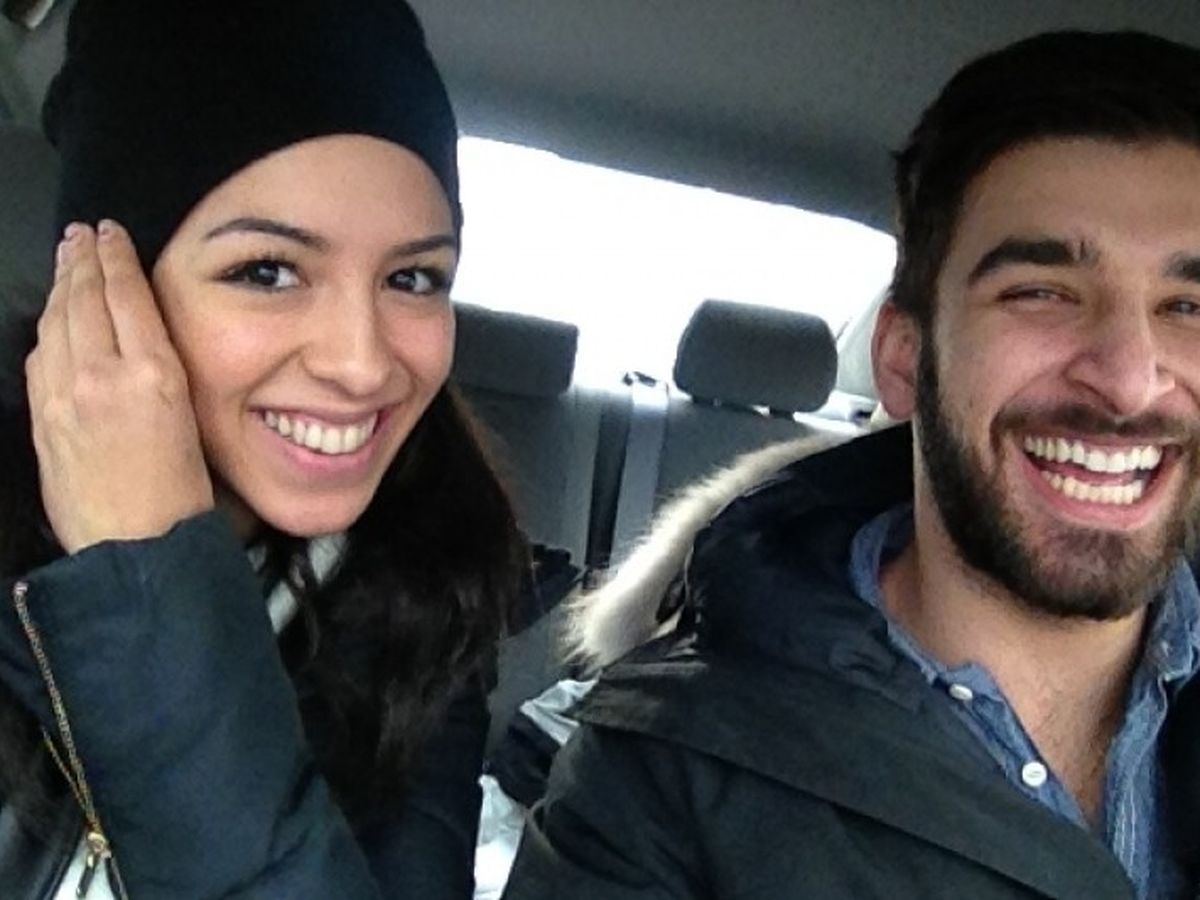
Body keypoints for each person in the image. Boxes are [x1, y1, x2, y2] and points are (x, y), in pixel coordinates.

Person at [501, 30, 1200, 900]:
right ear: (904, 358)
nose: (1130, 379)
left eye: (1188, 305)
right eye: (1041, 293)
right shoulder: (659, 779)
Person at [0, 1, 528, 897]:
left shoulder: (433, 607)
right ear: (99, 294)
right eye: (267, 271)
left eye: (413, 278)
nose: (363, 364)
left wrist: (147, 575)